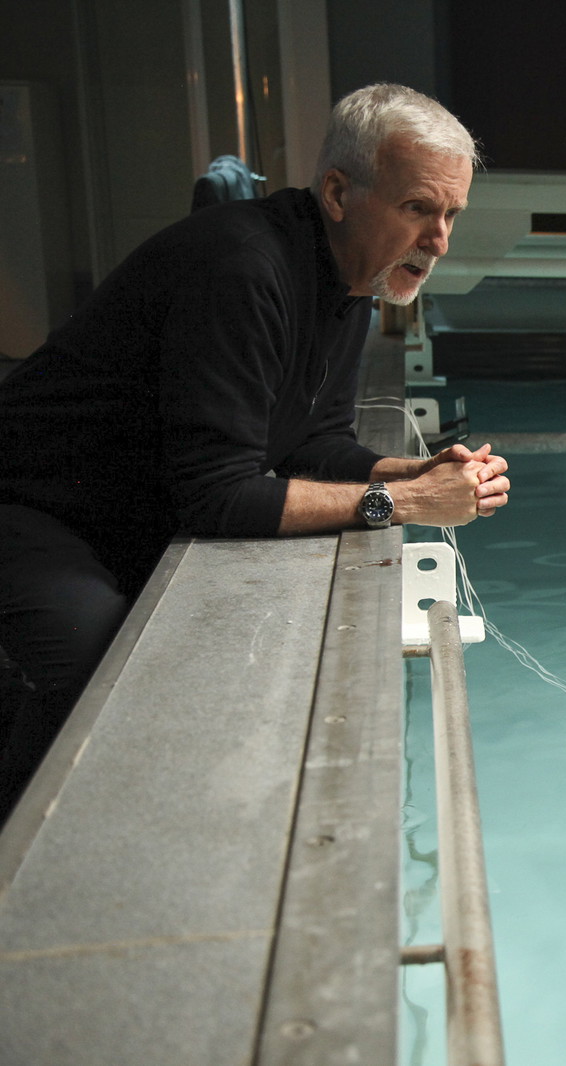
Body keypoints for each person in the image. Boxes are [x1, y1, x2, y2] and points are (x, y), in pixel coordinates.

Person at [0, 83, 510, 820]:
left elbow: (310, 444)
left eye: (451, 214)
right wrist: (404, 503)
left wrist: (416, 471)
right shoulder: (244, 268)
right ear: (338, 192)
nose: (439, 242)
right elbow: (216, 496)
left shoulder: (353, 278)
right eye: (417, 210)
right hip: (30, 510)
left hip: (115, 509)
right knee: (103, 685)